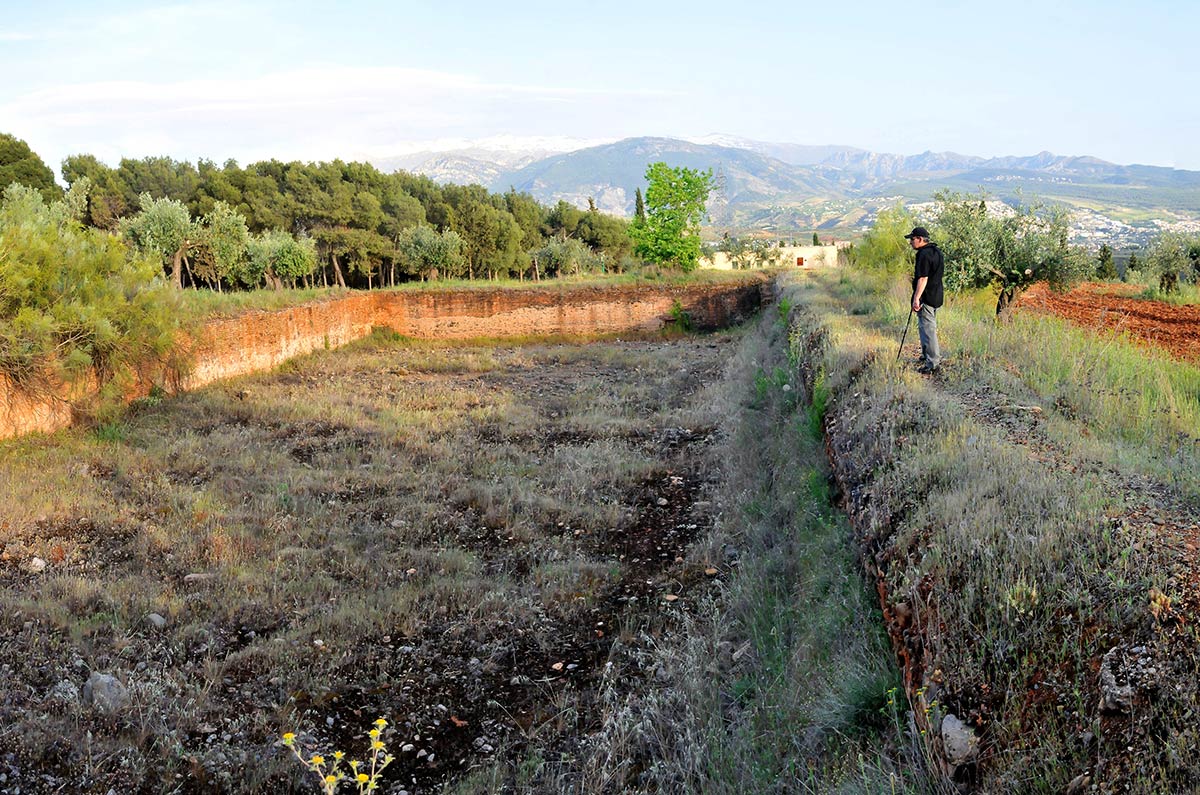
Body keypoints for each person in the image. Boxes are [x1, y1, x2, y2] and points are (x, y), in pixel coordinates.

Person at [905, 226, 943, 373]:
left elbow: (923, 278)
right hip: (937, 294)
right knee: (925, 326)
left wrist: (916, 298)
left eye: (912, 239)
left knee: (928, 329)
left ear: (920, 239)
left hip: (926, 296)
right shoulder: (937, 252)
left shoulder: (923, 254)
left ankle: (933, 363)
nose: (910, 242)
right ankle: (926, 354)